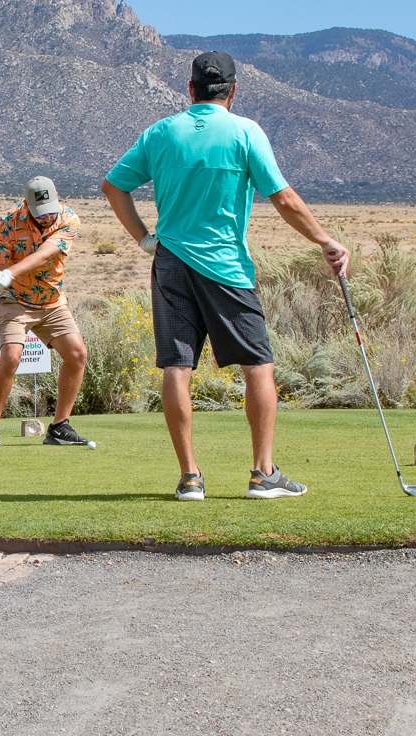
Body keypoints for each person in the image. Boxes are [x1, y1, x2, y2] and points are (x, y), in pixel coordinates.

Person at [101, 51, 349, 501]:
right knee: (258, 364)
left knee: (177, 366)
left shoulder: (161, 132)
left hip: (170, 261)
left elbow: (113, 186)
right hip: (225, 267)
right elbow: (284, 198)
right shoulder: (245, 132)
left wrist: (144, 239)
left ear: (190, 88)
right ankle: (263, 474)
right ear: (233, 90)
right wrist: (325, 241)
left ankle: (190, 478)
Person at [0, 176, 90, 448]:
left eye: (50, 211)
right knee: (11, 357)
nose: (47, 218)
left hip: (51, 300)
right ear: (27, 205)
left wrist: (9, 273)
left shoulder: (68, 219)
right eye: (40, 213)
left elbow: (45, 254)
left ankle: (59, 427)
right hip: (12, 299)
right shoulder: (6, 222)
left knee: (77, 354)